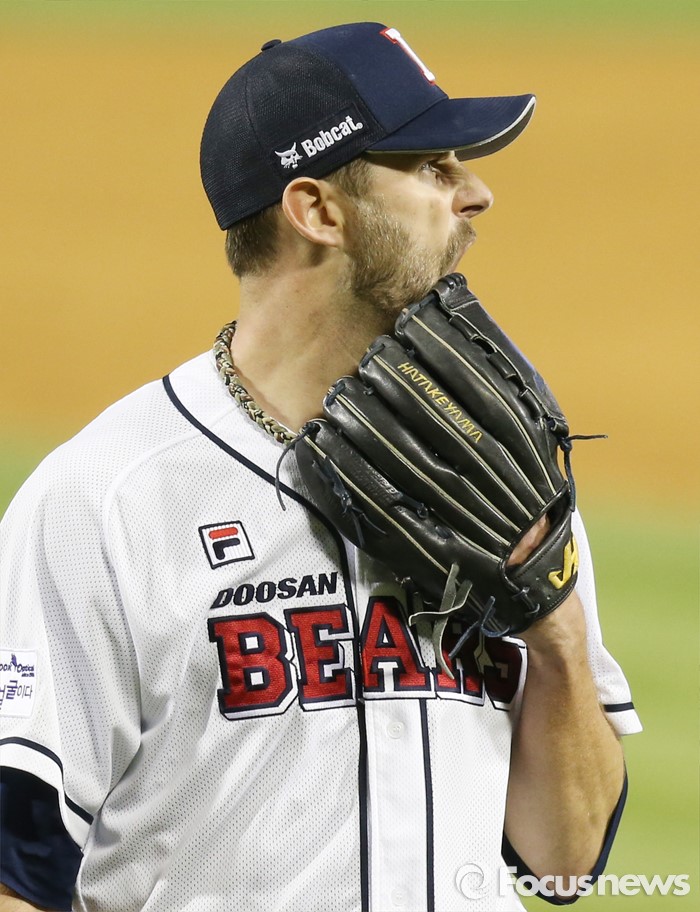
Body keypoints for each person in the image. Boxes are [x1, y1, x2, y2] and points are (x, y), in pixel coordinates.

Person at [0, 22, 641, 912]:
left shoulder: (502, 474)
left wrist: (556, 630)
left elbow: (565, 863)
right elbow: (18, 868)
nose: (476, 193)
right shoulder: (107, 500)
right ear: (319, 211)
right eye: (431, 167)